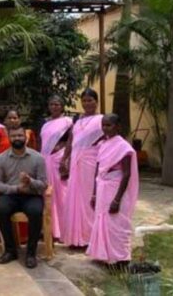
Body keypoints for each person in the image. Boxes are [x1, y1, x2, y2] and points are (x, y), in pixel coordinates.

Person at [87, 114, 139, 265]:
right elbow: (98, 171)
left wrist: (117, 200)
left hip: (115, 188)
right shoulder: (103, 145)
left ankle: (122, 259)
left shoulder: (123, 147)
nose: (105, 128)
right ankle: (105, 255)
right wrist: (94, 194)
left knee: (117, 223)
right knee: (103, 222)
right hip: (102, 188)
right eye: (103, 125)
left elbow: (127, 174)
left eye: (108, 125)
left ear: (118, 127)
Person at [0, 126, 48, 268]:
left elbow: (43, 184)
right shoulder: (1, 158)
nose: (17, 138)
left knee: (35, 212)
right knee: (1, 209)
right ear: (9, 138)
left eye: (20, 135)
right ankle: (10, 251)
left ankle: (31, 253)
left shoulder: (38, 158)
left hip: (31, 195)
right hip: (11, 195)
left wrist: (30, 181)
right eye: (13, 136)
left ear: (26, 137)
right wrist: (16, 188)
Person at [61, 88, 104, 248]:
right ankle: (75, 238)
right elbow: (70, 141)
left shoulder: (101, 119)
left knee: (88, 198)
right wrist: (64, 159)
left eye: (90, 100)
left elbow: (106, 139)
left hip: (91, 161)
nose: (87, 103)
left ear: (96, 102)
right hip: (75, 162)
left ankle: (90, 238)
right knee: (75, 198)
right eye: (84, 101)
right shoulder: (77, 121)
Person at [39, 95, 73, 240]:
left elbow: (72, 140)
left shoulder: (68, 122)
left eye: (57, 104)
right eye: (52, 104)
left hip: (59, 159)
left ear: (62, 106)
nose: (54, 107)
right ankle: (50, 229)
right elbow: (42, 144)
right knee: (48, 194)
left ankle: (64, 229)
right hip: (45, 160)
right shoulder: (45, 124)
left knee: (62, 194)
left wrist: (65, 158)